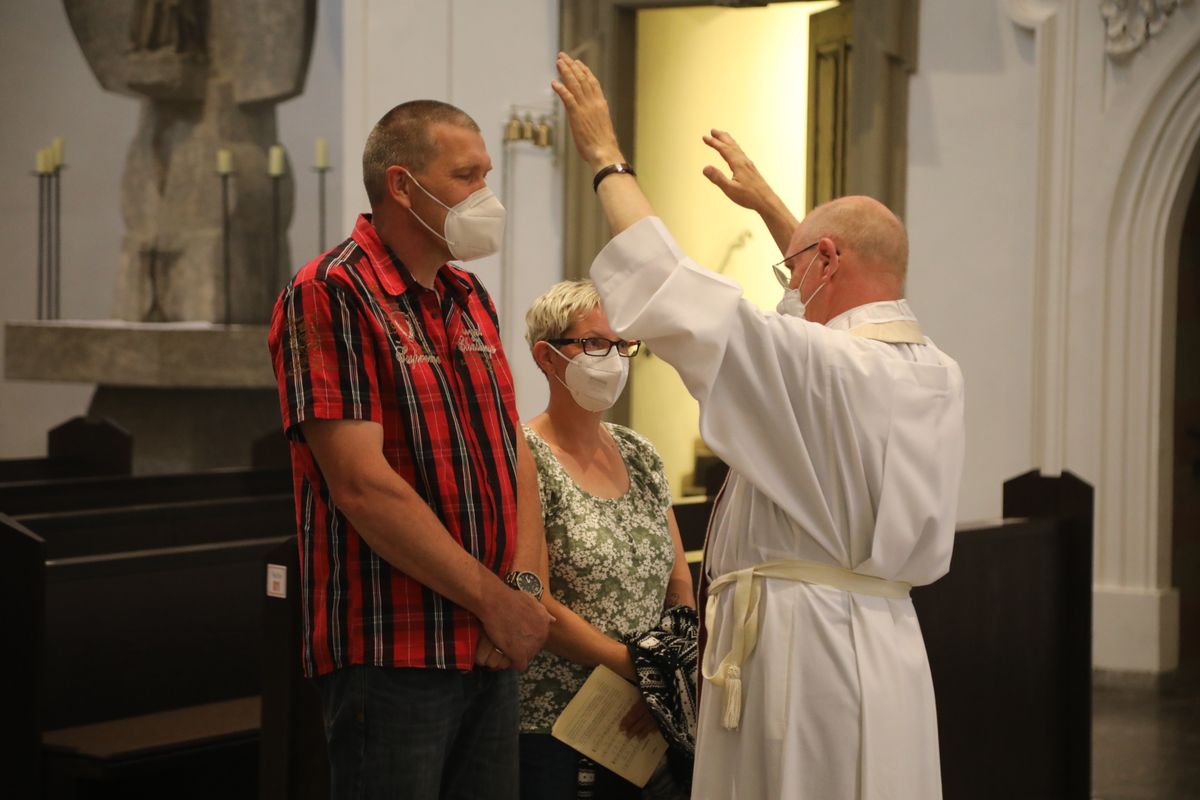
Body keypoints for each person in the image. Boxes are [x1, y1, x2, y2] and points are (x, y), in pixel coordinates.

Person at [551, 54, 966, 799]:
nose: (789, 287)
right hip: (887, 643)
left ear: (825, 259)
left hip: (803, 653)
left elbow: (673, 289)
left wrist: (606, 157)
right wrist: (775, 208)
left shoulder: (828, 367)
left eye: (794, 267)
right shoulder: (935, 372)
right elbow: (821, 297)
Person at [267, 100, 553, 800]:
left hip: (488, 644)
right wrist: (496, 602)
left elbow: (512, 450)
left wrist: (521, 593)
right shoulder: (330, 292)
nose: (485, 195)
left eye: (486, 176)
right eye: (466, 176)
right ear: (402, 185)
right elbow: (362, 486)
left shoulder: (468, 294)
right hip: (394, 647)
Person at [517, 279, 696, 799]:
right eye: (595, 343)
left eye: (622, 345)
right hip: (557, 719)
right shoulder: (525, 455)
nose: (614, 359)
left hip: (642, 719)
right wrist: (641, 671)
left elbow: (678, 580)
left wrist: (665, 671)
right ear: (547, 357)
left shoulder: (639, 452)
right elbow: (535, 601)